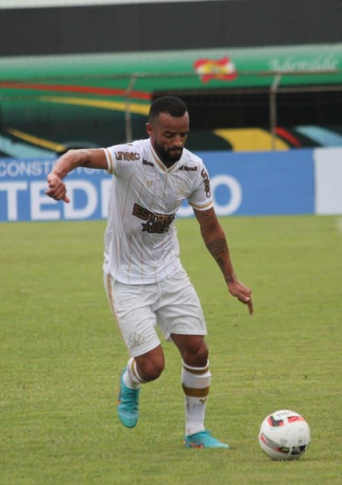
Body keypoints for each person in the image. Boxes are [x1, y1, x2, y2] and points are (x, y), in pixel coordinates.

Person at [46, 96, 253, 449]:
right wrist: (56, 174)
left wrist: (231, 279)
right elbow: (78, 156)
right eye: (169, 135)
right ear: (150, 129)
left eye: (183, 135)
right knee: (153, 366)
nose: (176, 143)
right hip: (125, 277)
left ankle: (195, 434)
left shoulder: (193, 169)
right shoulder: (129, 157)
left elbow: (212, 228)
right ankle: (130, 381)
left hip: (169, 272)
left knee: (197, 352)